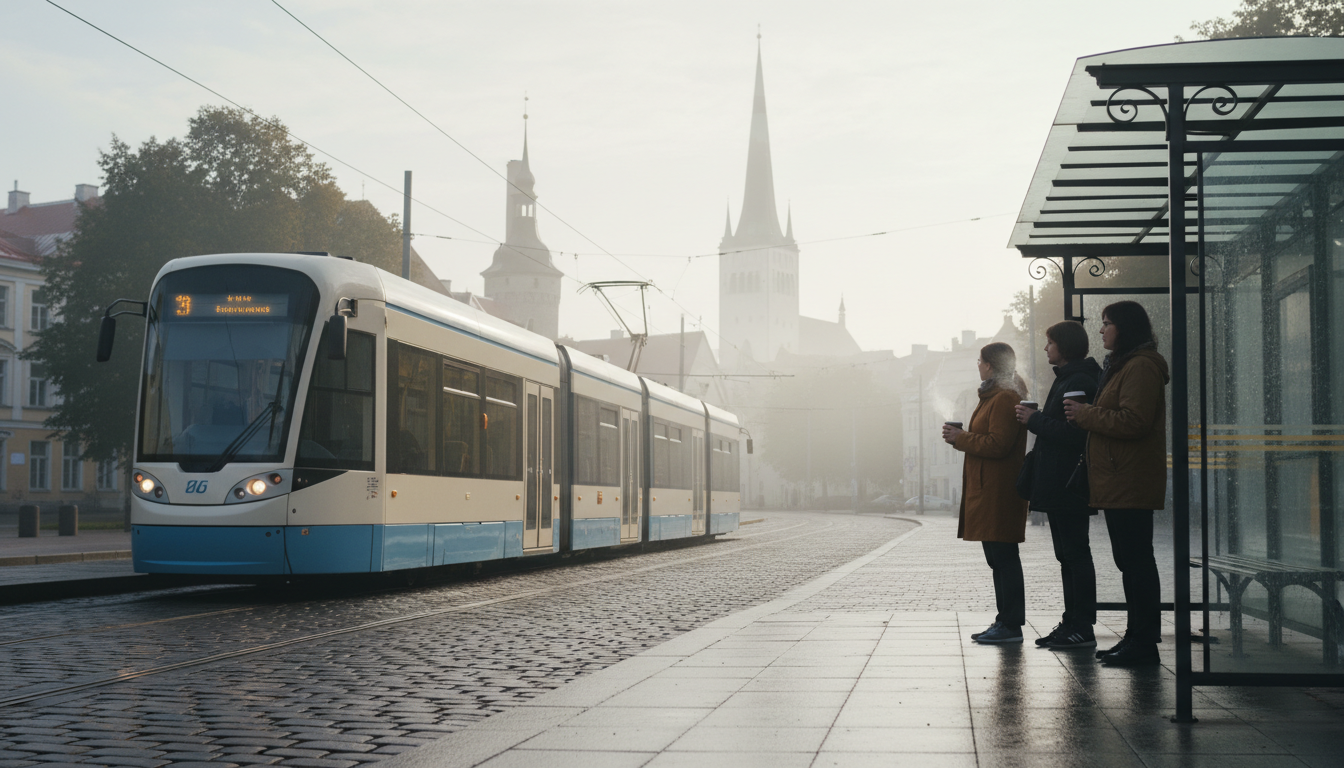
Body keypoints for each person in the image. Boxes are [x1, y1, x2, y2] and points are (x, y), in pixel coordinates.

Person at [1063, 301, 1169, 667]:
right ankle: (1136, 637)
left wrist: (1085, 414)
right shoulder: (1124, 365)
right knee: (1130, 560)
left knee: (1136, 561)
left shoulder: (1140, 367)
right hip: (1121, 478)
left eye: (1107, 324)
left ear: (1125, 328)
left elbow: (1134, 421)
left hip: (1130, 479)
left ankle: (1143, 642)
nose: (1102, 330)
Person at [1015, 321, 1101, 649]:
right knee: (1067, 554)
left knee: (1075, 553)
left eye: (1050, 343)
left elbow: (1076, 433)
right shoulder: (1069, 377)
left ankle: (1080, 626)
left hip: (1068, 483)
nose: (1046, 348)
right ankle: (1072, 622)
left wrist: (1033, 420)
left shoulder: (1078, 380)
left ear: (1063, 347)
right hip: (1060, 483)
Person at [944, 342, 1029, 644]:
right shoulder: (993, 395)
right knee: (998, 558)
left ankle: (1010, 624)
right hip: (989, 488)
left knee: (1004, 557)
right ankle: (1004, 621)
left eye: (979, 361)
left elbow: (998, 444)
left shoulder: (1004, 397)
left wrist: (961, 438)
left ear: (990, 365)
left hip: (999, 490)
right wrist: (962, 438)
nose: (977, 365)